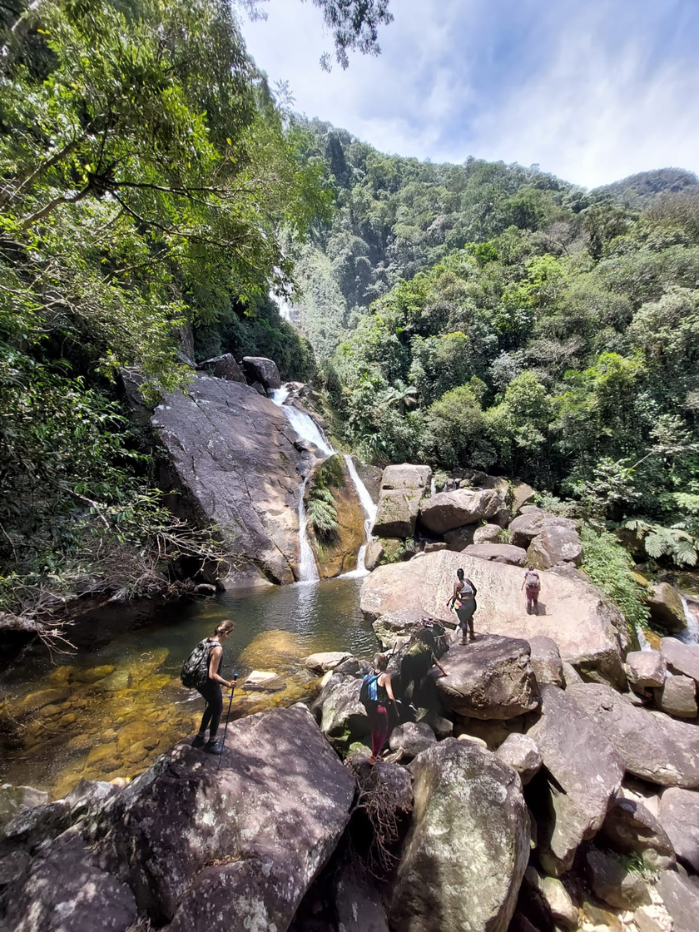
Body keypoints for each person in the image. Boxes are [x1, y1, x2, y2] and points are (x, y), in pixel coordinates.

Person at [192, 619, 237, 754]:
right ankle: (211, 742)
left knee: (212, 706)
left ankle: (199, 737)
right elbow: (212, 674)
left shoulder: (206, 640)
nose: (229, 637)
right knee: (218, 708)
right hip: (208, 682)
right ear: (227, 633)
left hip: (198, 680)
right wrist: (228, 683)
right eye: (230, 634)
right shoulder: (217, 649)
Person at [367, 653, 398, 764]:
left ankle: (374, 753)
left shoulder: (370, 675)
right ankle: (374, 756)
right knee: (384, 730)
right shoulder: (385, 677)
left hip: (370, 708)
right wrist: (396, 710)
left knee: (375, 729)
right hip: (380, 708)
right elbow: (391, 696)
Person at [447, 567, 477, 644]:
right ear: (463, 574)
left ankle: (464, 639)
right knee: (469, 617)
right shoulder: (468, 581)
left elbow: (454, 596)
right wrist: (472, 598)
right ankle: (472, 634)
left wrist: (452, 604)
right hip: (472, 603)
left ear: (457, 575)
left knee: (463, 620)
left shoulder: (457, 584)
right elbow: (475, 590)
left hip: (464, 603)